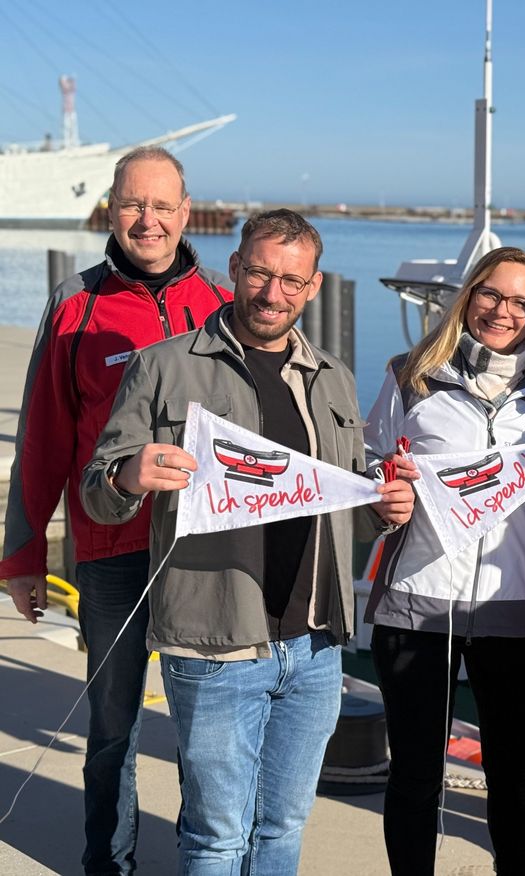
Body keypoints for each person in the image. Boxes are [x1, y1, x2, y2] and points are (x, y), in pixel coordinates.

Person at [80, 209, 415, 874]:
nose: (272, 294)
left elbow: (348, 501)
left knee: (284, 826)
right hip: (214, 644)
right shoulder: (162, 366)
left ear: (314, 287)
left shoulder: (334, 376)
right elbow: (97, 492)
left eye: (291, 281)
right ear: (234, 268)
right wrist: (127, 475)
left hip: (315, 645)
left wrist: (385, 507)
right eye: (260, 273)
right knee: (216, 837)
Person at [0, 146, 230, 874]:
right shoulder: (76, 304)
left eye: (162, 206)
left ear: (186, 213)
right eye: (133, 204)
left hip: (203, 557)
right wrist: (23, 558)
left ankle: (202, 861)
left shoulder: (223, 305)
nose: (148, 220)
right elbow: (41, 440)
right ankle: (109, 864)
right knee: (111, 732)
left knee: (206, 738)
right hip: (108, 553)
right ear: (111, 209)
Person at [362, 246, 525, 876]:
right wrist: (386, 497)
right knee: (415, 776)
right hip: (415, 609)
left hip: (511, 612)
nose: (503, 311)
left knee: (513, 779)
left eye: (522, 302)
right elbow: (372, 469)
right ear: (469, 296)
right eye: (491, 294)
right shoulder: (411, 375)